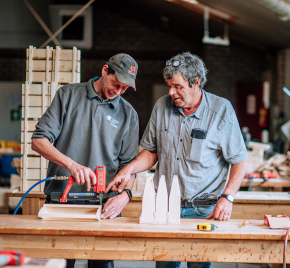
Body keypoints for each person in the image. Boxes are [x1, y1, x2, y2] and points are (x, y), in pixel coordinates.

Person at [106, 52, 248, 268]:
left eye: (178, 86)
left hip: (202, 210)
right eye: (169, 85)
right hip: (164, 208)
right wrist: (129, 170)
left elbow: (239, 160)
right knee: (164, 265)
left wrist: (228, 197)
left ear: (196, 83)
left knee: (198, 265)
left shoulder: (221, 110)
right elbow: (152, 152)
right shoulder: (162, 106)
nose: (171, 92)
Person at [31, 53, 139, 268]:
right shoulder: (68, 95)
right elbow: (38, 141)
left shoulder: (129, 115)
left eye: (124, 88)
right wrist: (70, 164)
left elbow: (129, 168)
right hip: (61, 201)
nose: (117, 91)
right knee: (57, 264)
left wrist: (125, 196)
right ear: (104, 70)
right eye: (115, 83)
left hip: (104, 207)